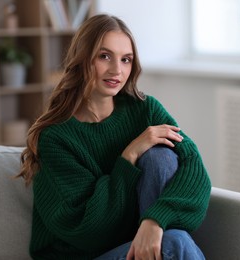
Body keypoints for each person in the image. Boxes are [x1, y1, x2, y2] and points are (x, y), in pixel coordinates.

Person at [17, 13, 211, 260]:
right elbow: (90, 231)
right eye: (104, 56)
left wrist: (155, 220)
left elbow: (194, 166)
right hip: (83, 254)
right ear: (83, 58)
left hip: (138, 246)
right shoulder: (56, 138)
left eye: (126, 59)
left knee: (161, 156)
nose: (117, 70)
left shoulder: (145, 109)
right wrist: (129, 155)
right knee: (174, 243)